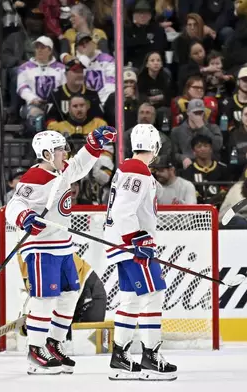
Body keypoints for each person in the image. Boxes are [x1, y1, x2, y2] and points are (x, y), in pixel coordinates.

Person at [5, 126, 117, 375]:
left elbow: (79, 166)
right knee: (44, 300)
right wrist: (24, 217)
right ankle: (35, 350)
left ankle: (54, 343)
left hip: (63, 246)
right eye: (59, 150)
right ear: (46, 154)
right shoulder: (34, 179)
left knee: (70, 294)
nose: (64, 153)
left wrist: (93, 146)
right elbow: (15, 204)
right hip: (41, 248)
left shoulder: (62, 170)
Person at [103, 124, 177, 381]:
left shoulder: (130, 167)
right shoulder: (136, 169)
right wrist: (137, 238)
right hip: (133, 244)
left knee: (131, 298)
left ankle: (120, 357)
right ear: (155, 146)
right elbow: (123, 210)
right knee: (153, 293)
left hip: (127, 243)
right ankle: (150, 356)